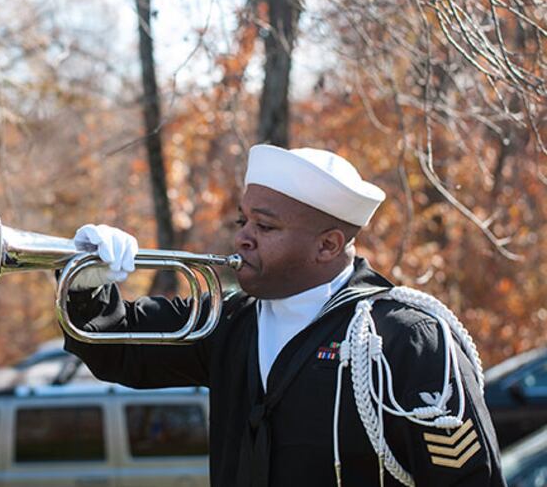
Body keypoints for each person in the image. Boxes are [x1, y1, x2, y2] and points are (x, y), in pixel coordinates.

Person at [61, 144, 505, 487]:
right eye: (242, 222)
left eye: (265, 227)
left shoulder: (409, 339)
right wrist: (86, 279)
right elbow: (116, 344)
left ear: (328, 246)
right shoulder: (230, 319)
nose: (242, 240)